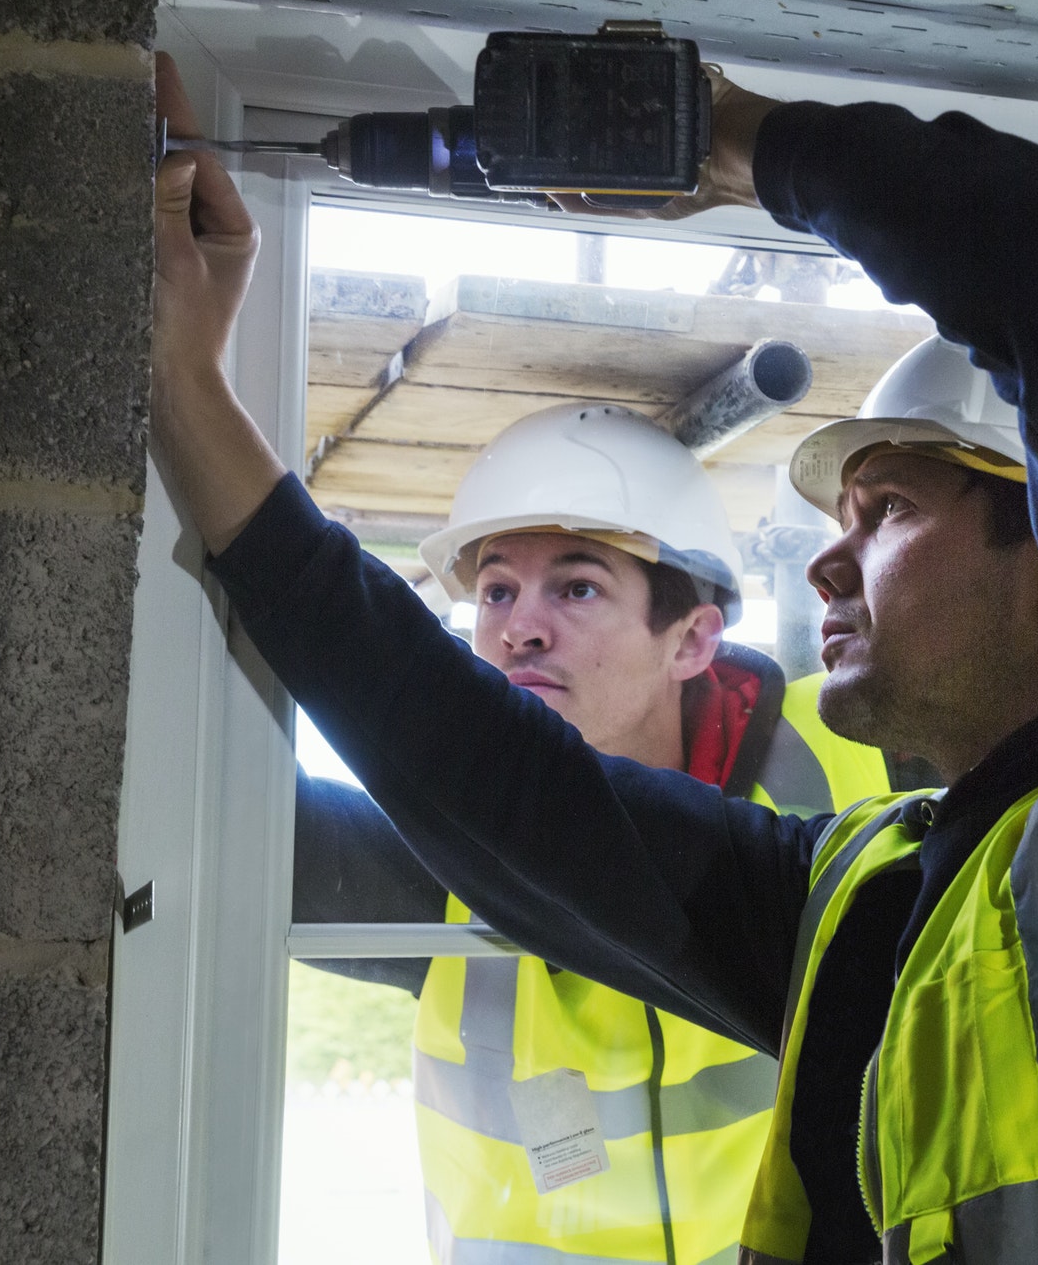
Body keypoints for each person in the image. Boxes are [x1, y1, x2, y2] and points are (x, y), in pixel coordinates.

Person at [154, 46, 1038, 1265]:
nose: (831, 564)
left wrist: (724, 141)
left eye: (890, 511)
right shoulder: (872, 894)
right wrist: (190, 400)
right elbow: (494, 779)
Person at [287, 401, 893, 1264]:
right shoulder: (434, 851)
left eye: (577, 587)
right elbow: (217, 820)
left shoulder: (855, 763)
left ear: (692, 640)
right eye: (496, 590)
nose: (518, 627)